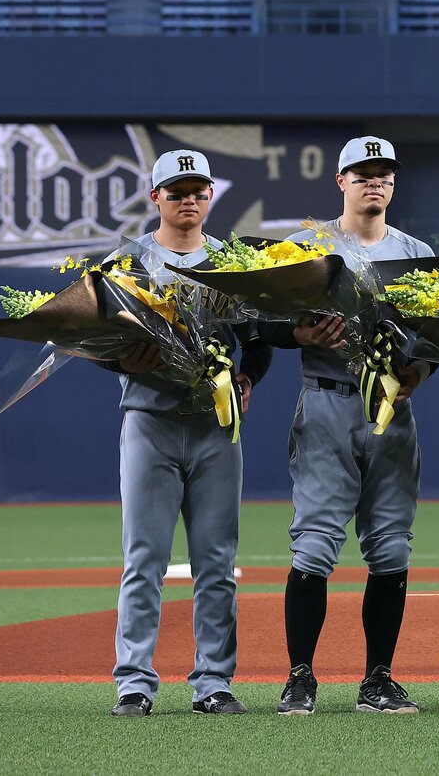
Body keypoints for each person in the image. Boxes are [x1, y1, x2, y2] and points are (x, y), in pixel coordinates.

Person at [264, 136, 436, 716]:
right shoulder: (304, 245)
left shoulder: (417, 251)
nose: (374, 182)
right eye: (362, 173)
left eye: (383, 173)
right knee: (313, 545)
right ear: (341, 181)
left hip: (391, 409)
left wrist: (423, 372)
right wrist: (296, 335)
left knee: (391, 548)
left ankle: (378, 680)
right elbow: (256, 320)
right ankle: (300, 678)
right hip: (328, 402)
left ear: (393, 183)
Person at [107, 151, 271, 717]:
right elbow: (104, 344)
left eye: (198, 190)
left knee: (216, 562)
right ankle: (134, 683)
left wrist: (248, 375)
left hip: (214, 428)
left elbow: (259, 337)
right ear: (156, 197)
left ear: (208, 197)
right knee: (144, 560)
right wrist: (133, 358)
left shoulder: (233, 263)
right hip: (149, 422)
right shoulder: (128, 263)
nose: (189, 200)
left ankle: (213, 683)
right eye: (176, 191)